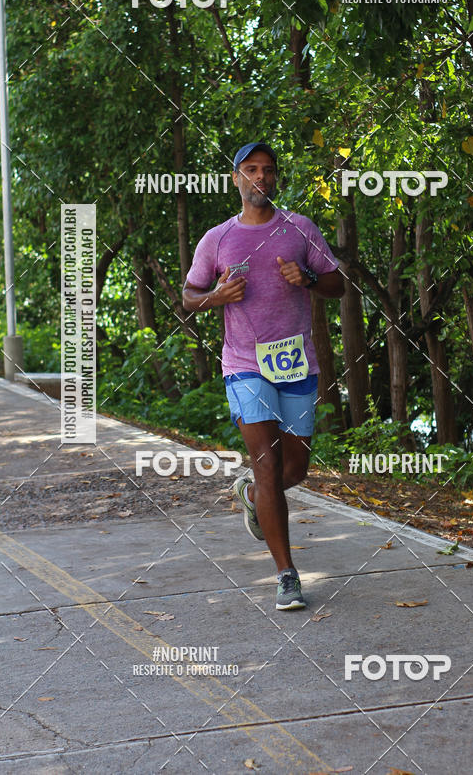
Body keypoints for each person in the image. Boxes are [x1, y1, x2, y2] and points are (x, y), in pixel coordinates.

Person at [182, 142, 344, 610]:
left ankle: (252, 495)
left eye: (269, 170)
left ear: (276, 178)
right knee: (269, 463)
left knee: (295, 468)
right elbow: (190, 297)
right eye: (251, 170)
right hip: (244, 365)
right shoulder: (217, 239)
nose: (261, 178)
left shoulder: (300, 229)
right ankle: (287, 575)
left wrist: (308, 279)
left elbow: (338, 284)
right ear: (235, 179)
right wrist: (218, 295)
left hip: (296, 362)